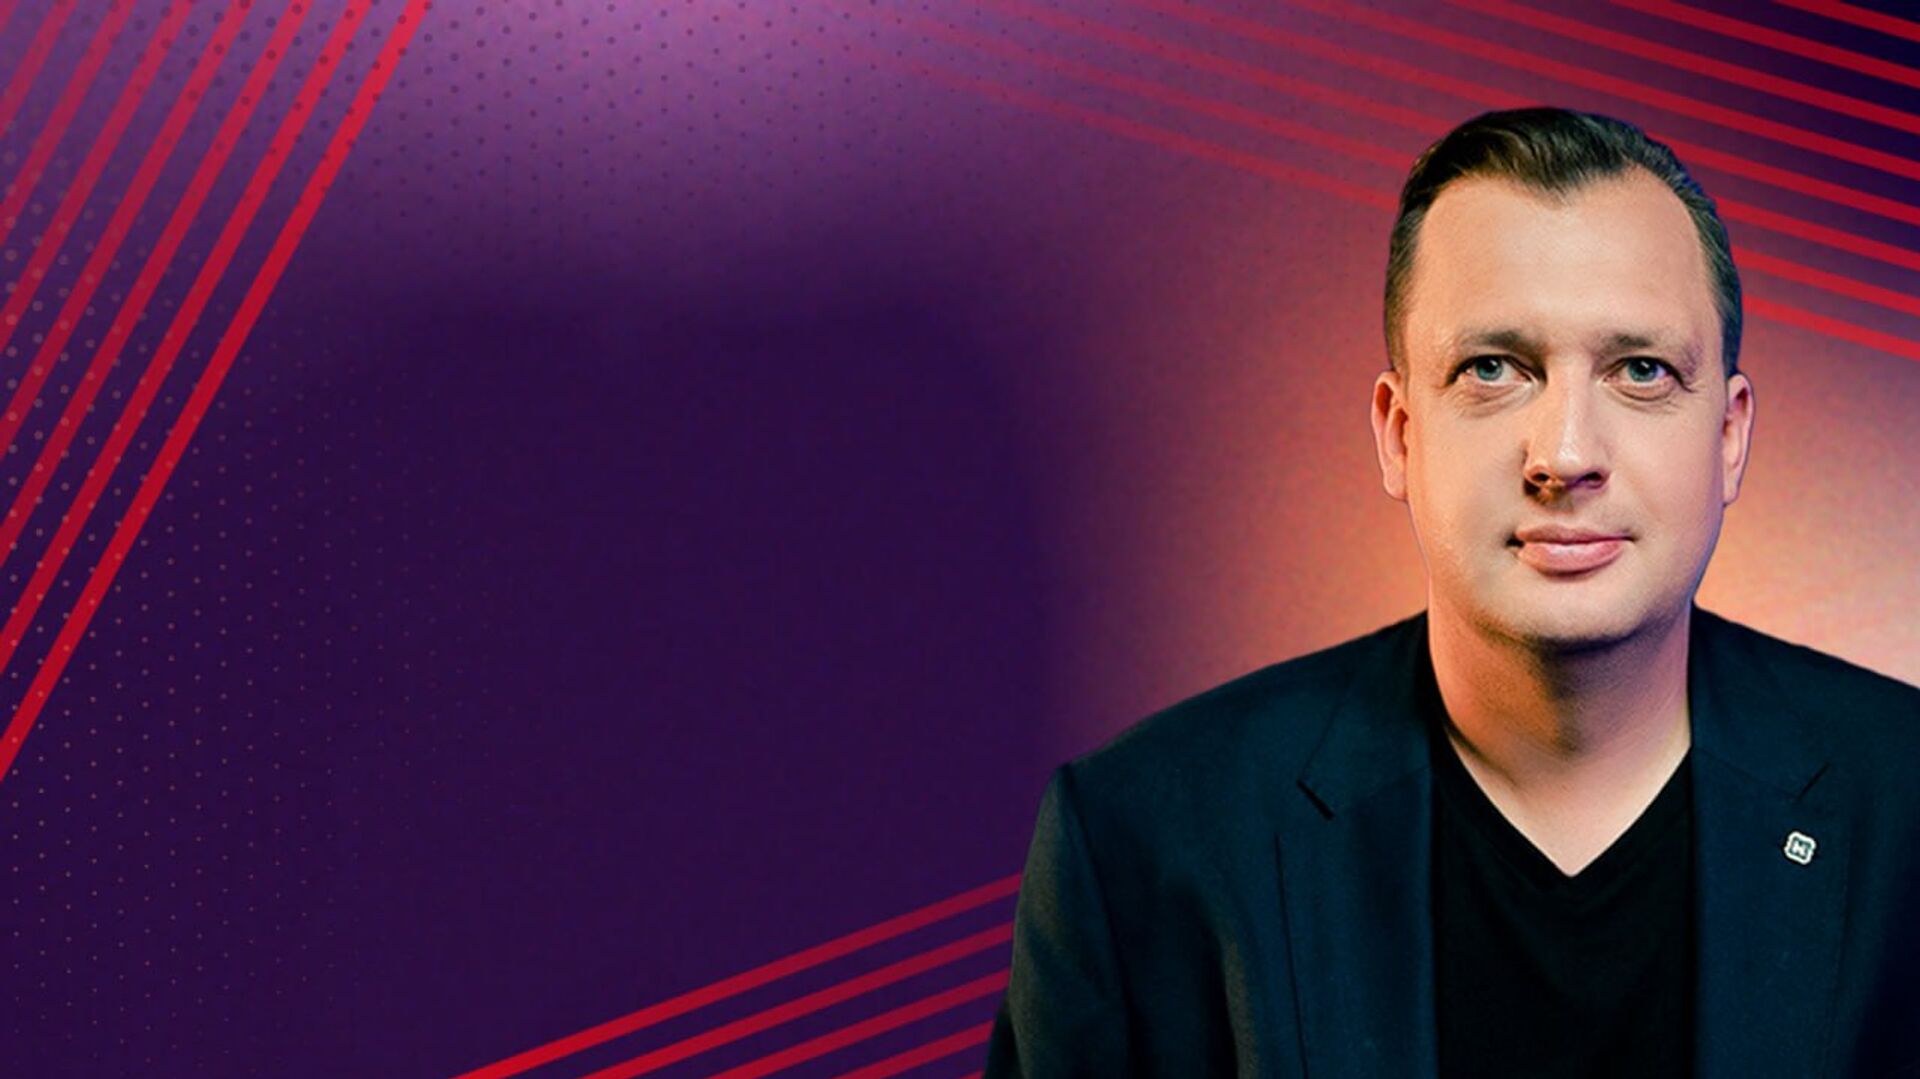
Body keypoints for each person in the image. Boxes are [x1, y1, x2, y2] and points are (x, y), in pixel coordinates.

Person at [983, 108, 1920, 1078]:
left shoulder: (1907, 811)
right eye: (1493, 369)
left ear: (1728, 437)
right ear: (1399, 434)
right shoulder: (1140, 844)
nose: (1566, 453)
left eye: (1640, 370)